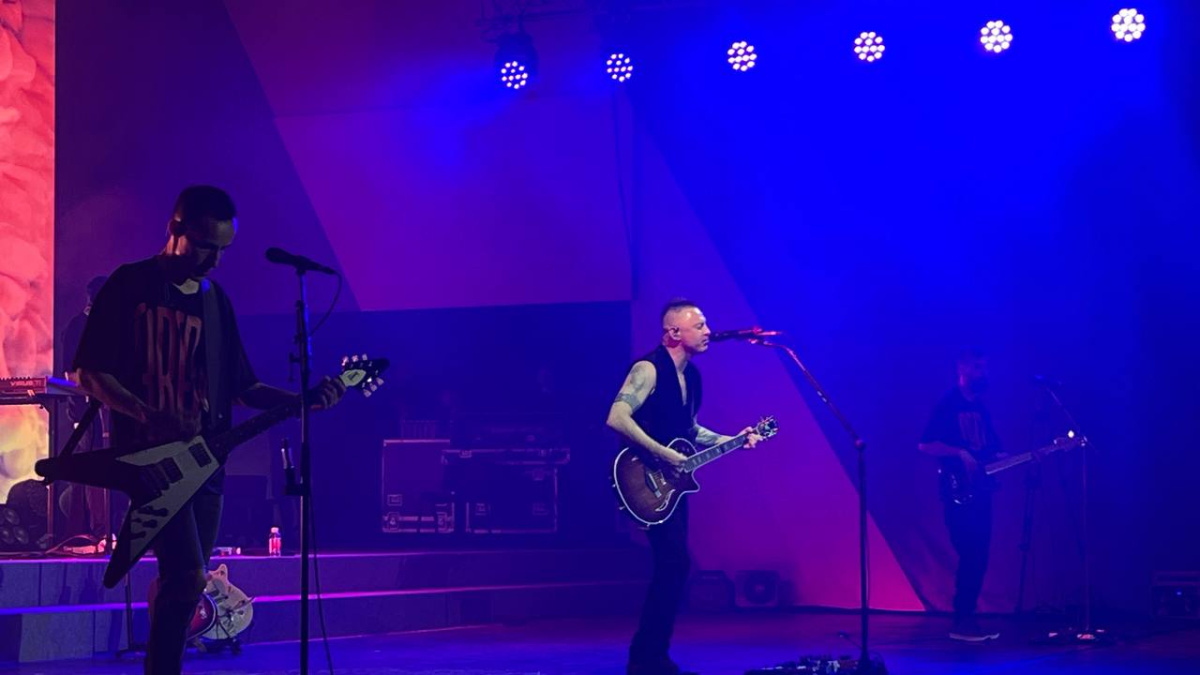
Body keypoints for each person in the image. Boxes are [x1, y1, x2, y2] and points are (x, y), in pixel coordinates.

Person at [71, 185, 346, 674]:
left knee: (185, 583)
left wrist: (302, 401)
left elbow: (243, 387)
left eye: (223, 250)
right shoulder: (130, 284)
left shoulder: (216, 302)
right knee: (187, 576)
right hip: (150, 463)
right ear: (174, 230)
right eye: (204, 246)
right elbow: (89, 373)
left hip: (206, 466)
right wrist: (147, 414)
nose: (214, 261)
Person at [606, 299, 762, 675]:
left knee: (673, 566)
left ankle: (649, 656)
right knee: (674, 563)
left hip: (672, 485)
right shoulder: (648, 368)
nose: (709, 331)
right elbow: (616, 416)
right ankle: (646, 657)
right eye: (700, 325)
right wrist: (662, 453)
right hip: (643, 477)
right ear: (674, 332)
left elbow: (690, 429)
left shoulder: (692, 377)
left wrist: (732, 439)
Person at [918, 348, 1002, 642]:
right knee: (970, 553)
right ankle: (962, 620)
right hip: (958, 492)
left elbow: (992, 450)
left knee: (979, 555)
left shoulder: (981, 408)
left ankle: (968, 617)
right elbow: (925, 445)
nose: (983, 373)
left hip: (981, 491)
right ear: (962, 369)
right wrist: (958, 452)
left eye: (985, 368)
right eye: (978, 367)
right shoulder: (947, 404)